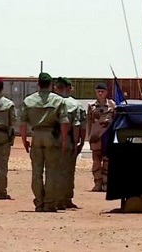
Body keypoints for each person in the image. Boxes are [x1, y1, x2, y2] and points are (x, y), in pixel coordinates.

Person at [20, 72, 69, 212]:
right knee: (51, 172)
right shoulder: (58, 100)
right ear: (51, 85)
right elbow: (64, 122)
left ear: (38, 84)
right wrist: (64, 140)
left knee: (36, 173)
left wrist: (24, 140)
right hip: (51, 136)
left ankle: (39, 202)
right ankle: (49, 202)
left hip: (36, 136)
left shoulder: (28, 101)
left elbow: (22, 123)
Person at [54, 77, 82, 209]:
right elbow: (78, 126)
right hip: (68, 139)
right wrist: (77, 143)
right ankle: (66, 199)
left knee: (53, 171)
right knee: (68, 171)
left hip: (52, 139)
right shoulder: (74, 104)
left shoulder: (51, 101)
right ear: (69, 88)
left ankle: (53, 198)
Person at [87, 83, 115, 192]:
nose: (100, 93)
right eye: (98, 91)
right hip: (96, 137)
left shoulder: (112, 105)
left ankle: (106, 183)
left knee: (107, 161)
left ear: (106, 92)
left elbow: (116, 120)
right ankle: (97, 182)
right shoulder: (91, 106)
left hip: (107, 136)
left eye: (102, 91)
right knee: (96, 161)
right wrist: (89, 136)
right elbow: (89, 122)